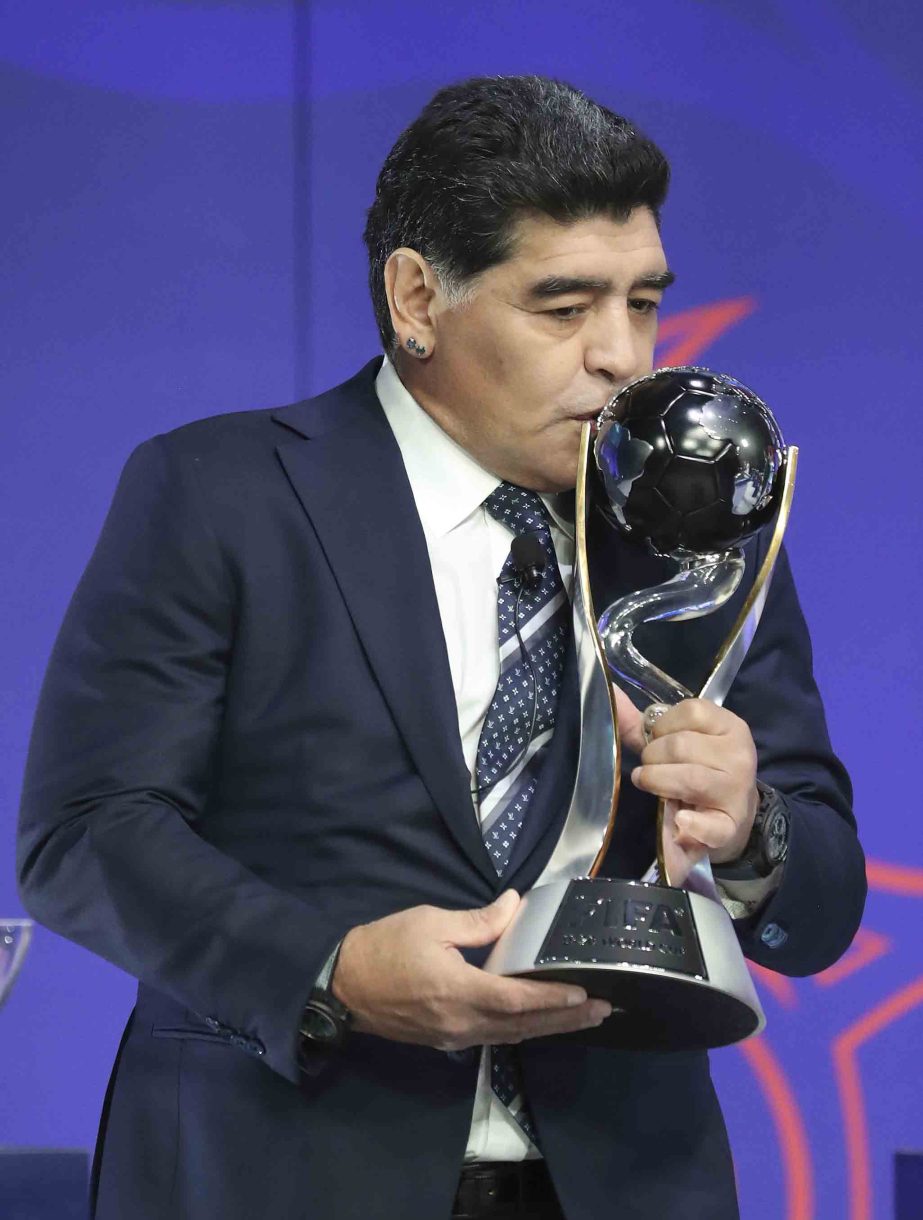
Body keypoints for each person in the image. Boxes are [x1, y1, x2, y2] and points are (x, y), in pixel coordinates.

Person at [17, 75, 865, 1220]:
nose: (621, 356)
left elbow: (817, 908)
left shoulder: (693, 533)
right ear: (416, 296)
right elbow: (86, 834)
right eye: (563, 309)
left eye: (644, 303)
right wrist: (332, 966)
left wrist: (751, 825)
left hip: (621, 1180)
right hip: (278, 1166)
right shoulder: (221, 492)